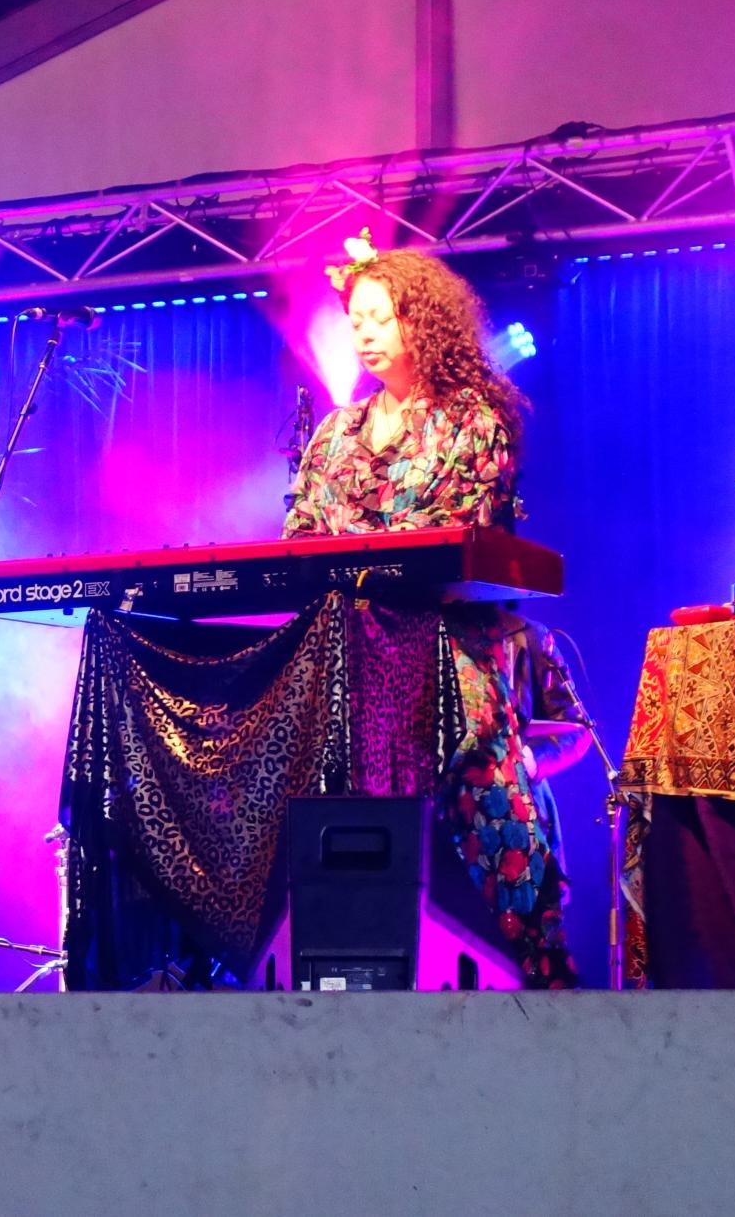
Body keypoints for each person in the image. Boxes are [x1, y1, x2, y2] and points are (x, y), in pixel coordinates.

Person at [283, 234, 578, 988]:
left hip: (449, 654)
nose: (363, 333)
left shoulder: (472, 419)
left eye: (379, 317)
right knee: (361, 846)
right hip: (352, 664)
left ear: (422, 320)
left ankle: (522, 986)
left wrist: (358, 549)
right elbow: (300, 535)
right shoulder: (335, 433)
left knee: (484, 818)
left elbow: (454, 530)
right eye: (355, 319)